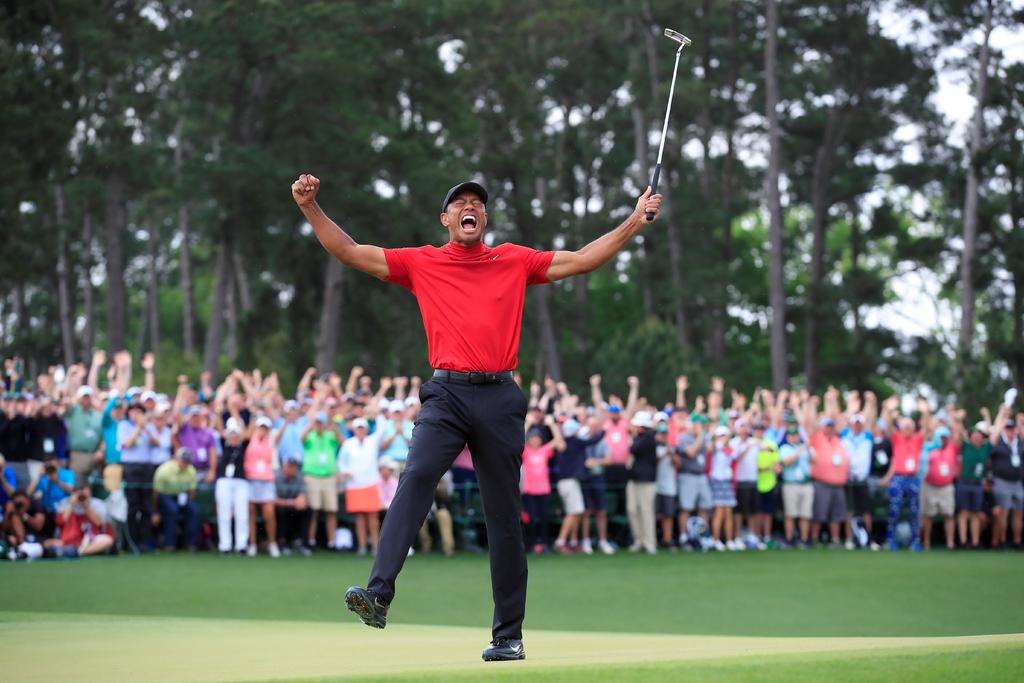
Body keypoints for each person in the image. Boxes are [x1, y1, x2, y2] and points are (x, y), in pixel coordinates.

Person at [293, 172, 660, 660]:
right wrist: (310, 206)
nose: (470, 207)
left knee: (503, 516)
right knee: (417, 475)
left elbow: (582, 259)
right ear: (445, 219)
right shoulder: (422, 262)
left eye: (477, 204)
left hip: (500, 396)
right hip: (446, 393)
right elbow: (350, 251)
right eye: (460, 203)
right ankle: (378, 594)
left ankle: (508, 637)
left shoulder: (513, 259)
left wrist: (633, 221)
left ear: (484, 218)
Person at [880, 397, 929, 551]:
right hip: (898, 478)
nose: (907, 429)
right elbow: (888, 426)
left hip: (913, 479)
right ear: (901, 428)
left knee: (914, 511)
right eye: (905, 427)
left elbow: (926, 428)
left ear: (913, 428)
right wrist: (888, 410)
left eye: (909, 427)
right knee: (894, 510)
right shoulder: (897, 438)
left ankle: (915, 541)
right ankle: (890, 540)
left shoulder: (917, 440)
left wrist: (925, 412)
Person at [553, 418, 604, 554]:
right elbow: (593, 440)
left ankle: (571, 541)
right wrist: (604, 430)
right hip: (569, 482)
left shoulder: (567, 442)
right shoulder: (574, 441)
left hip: (568, 482)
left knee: (576, 511)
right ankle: (560, 541)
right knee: (573, 512)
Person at [339, 417, 385, 556]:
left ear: (366, 429)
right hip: (354, 485)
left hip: (371, 483)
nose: (360, 430)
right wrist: (346, 472)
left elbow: (382, 428)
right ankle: (362, 545)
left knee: (373, 517)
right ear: (354, 430)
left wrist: (376, 414)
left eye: (362, 428)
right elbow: (341, 463)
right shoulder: (348, 444)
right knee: (359, 517)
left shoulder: (372, 441)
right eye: (358, 428)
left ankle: (376, 546)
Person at [118, 402, 159, 551]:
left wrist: (145, 427)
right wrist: (139, 428)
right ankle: (131, 541)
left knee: (146, 506)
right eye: (133, 411)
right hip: (131, 467)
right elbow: (127, 444)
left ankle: (145, 541)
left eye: (139, 412)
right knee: (133, 505)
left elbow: (157, 442)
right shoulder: (124, 426)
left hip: (146, 467)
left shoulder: (149, 426)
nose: (136, 414)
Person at [301, 410, 342, 550]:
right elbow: (302, 437)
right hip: (312, 476)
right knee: (313, 510)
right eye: (317, 423)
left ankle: (332, 542)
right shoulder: (310, 436)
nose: (319, 426)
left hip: (329, 476)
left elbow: (341, 440)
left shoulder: (330, 435)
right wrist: (311, 423)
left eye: (320, 423)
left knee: (331, 510)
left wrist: (330, 423)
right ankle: (311, 541)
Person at [521, 417, 563, 553]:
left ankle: (544, 544)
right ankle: (531, 544)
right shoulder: (526, 451)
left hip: (543, 490)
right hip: (529, 491)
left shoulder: (544, 450)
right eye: (532, 438)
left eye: (537, 438)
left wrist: (552, 425)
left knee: (545, 518)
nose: (535, 440)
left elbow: (558, 441)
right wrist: (528, 424)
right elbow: (518, 440)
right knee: (531, 519)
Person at [807, 417, 850, 547]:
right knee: (819, 513)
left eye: (831, 426)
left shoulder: (838, 440)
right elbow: (808, 423)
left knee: (837, 514)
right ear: (821, 427)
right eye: (827, 426)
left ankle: (835, 539)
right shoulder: (816, 438)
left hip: (838, 484)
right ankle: (814, 539)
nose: (829, 429)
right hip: (822, 483)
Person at [988, 403, 1023, 549]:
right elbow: (994, 435)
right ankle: (1001, 541)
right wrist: (1002, 415)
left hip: (1017, 482)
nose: (1010, 431)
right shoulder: (999, 441)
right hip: (1002, 481)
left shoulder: (1018, 443)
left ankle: (1017, 541)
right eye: (1008, 428)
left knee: (1019, 512)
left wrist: (1020, 422)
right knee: (1003, 512)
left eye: (1012, 428)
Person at [44, 485, 113, 557]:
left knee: (107, 540)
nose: (81, 496)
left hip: (89, 541)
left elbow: (99, 523)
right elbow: (61, 522)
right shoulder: (65, 503)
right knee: (47, 543)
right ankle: (72, 551)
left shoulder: (96, 504)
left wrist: (85, 506)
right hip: (69, 541)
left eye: (84, 492)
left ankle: (79, 552)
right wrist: (71, 504)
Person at [841, 413, 878, 550]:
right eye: (855, 424)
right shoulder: (844, 436)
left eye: (859, 424)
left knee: (866, 511)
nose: (857, 426)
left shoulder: (868, 437)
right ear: (851, 425)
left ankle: (869, 539)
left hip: (863, 480)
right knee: (849, 511)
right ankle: (849, 539)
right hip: (848, 479)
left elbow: (872, 419)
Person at [151, 447, 199, 551]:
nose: (185, 464)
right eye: (183, 461)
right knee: (172, 509)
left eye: (187, 462)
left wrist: (188, 501)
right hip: (165, 495)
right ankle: (169, 543)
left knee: (193, 510)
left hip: (182, 495)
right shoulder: (164, 470)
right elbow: (156, 493)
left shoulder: (191, 470)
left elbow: (192, 492)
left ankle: (190, 543)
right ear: (177, 459)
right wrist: (155, 512)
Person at [245, 416, 280, 557]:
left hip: (266, 481)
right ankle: (252, 544)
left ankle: (272, 543)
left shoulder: (271, 441)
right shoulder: (249, 439)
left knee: (269, 514)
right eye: (261, 427)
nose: (263, 430)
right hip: (251, 480)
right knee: (251, 514)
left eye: (265, 428)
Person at [216, 420, 250, 554]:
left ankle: (241, 545)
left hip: (241, 482)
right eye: (231, 434)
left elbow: (247, 434)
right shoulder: (222, 444)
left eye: (236, 434)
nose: (233, 437)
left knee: (242, 514)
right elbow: (219, 429)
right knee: (224, 514)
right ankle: (225, 545)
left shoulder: (244, 445)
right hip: (224, 481)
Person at [676, 417, 711, 548]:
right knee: (686, 507)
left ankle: (702, 534)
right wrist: (701, 436)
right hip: (688, 475)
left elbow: (711, 450)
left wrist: (706, 437)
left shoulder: (703, 438)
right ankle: (683, 536)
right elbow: (691, 452)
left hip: (701, 475)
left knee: (704, 506)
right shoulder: (684, 438)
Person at [626, 411, 659, 554]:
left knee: (646, 511)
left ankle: (649, 542)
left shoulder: (649, 437)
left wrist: (632, 437)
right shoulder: (640, 437)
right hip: (634, 479)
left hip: (646, 481)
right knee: (633, 510)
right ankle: (638, 540)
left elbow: (634, 449)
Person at [920, 425, 957, 550]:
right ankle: (926, 542)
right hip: (929, 485)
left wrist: (956, 421)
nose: (942, 440)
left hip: (946, 486)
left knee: (949, 514)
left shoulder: (952, 448)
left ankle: (950, 543)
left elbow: (958, 436)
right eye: (940, 437)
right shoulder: (929, 447)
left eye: (944, 437)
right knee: (927, 515)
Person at [956, 422, 990, 549]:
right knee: (963, 512)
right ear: (970, 437)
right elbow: (960, 435)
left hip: (977, 484)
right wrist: (958, 421)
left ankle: (975, 542)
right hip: (964, 482)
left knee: (976, 512)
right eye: (974, 435)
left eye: (979, 435)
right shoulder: (966, 446)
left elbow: (995, 434)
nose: (976, 437)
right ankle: (963, 541)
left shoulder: (985, 448)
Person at [779, 425, 813, 547]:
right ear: (788, 437)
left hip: (805, 483)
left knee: (805, 513)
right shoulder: (785, 448)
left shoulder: (805, 448)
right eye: (791, 435)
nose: (794, 437)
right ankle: (789, 539)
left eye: (796, 435)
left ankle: (804, 539)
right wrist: (801, 449)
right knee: (790, 513)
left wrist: (808, 448)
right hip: (791, 484)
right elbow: (786, 461)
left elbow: (815, 460)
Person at [729, 420, 760, 546]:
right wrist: (746, 447)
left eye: (746, 427)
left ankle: (752, 535)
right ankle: (737, 536)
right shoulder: (733, 442)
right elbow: (735, 458)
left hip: (753, 479)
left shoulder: (754, 441)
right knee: (739, 511)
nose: (744, 430)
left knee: (753, 511)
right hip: (739, 480)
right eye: (742, 427)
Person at [64, 385, 104, 485]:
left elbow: (102, 436)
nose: (86, 399)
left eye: (88, 397)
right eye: (83, 397)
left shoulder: (97, 415)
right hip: (78, 455)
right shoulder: (73, 410)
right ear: (79, 398)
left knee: (91, 487)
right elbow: (66, 399)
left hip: (94, 456)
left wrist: (100, 450)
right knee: (77, 486)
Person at [708, 425, 738, 550]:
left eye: (724, 435)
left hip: (727, 482)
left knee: (728, 513)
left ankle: (729, 540)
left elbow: (734, 455)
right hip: (717, 481)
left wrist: (727, 442)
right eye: (720, 436)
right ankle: (716, 540)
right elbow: (712, 449)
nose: (723, 438)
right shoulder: (715, 446)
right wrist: (717, 439)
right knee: (719, 512)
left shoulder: (730, 448)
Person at [275, 458, 311, 556]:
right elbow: (273, 500)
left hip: (294, 506)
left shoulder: (299, 476)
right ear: (284, 467)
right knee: (281, 511)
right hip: (281, 506)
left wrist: (300, 501)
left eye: (295, 467)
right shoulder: (276, 477)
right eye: (290, 466)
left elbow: (302, 496)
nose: (293, 469)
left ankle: (301, 542)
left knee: (306, 509)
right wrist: (291, 502)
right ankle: (282, 542)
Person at [753, 421, 780, 547]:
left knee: (767, 513)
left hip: (769, 483)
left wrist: (772, 468)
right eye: (757, 429)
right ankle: (757, 535)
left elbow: (776, 464)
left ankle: (767, 536)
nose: (759, 432)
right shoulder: (751, 443)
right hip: (755, 483)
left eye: (761, 429)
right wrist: (764, 468)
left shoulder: (771, 444)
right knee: (757, 512)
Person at [654, 418, 679, 550]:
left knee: (668, 514)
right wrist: (664, 454)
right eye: (661, 433)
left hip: (669, 486)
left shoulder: (672, 447)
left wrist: (671, 454)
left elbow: (678, 464)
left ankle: (667, 540)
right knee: (654, 514)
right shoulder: (652, 446)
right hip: (655, 485)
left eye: (665, 433)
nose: (663, 436)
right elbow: (652, 463)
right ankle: (653, 539)